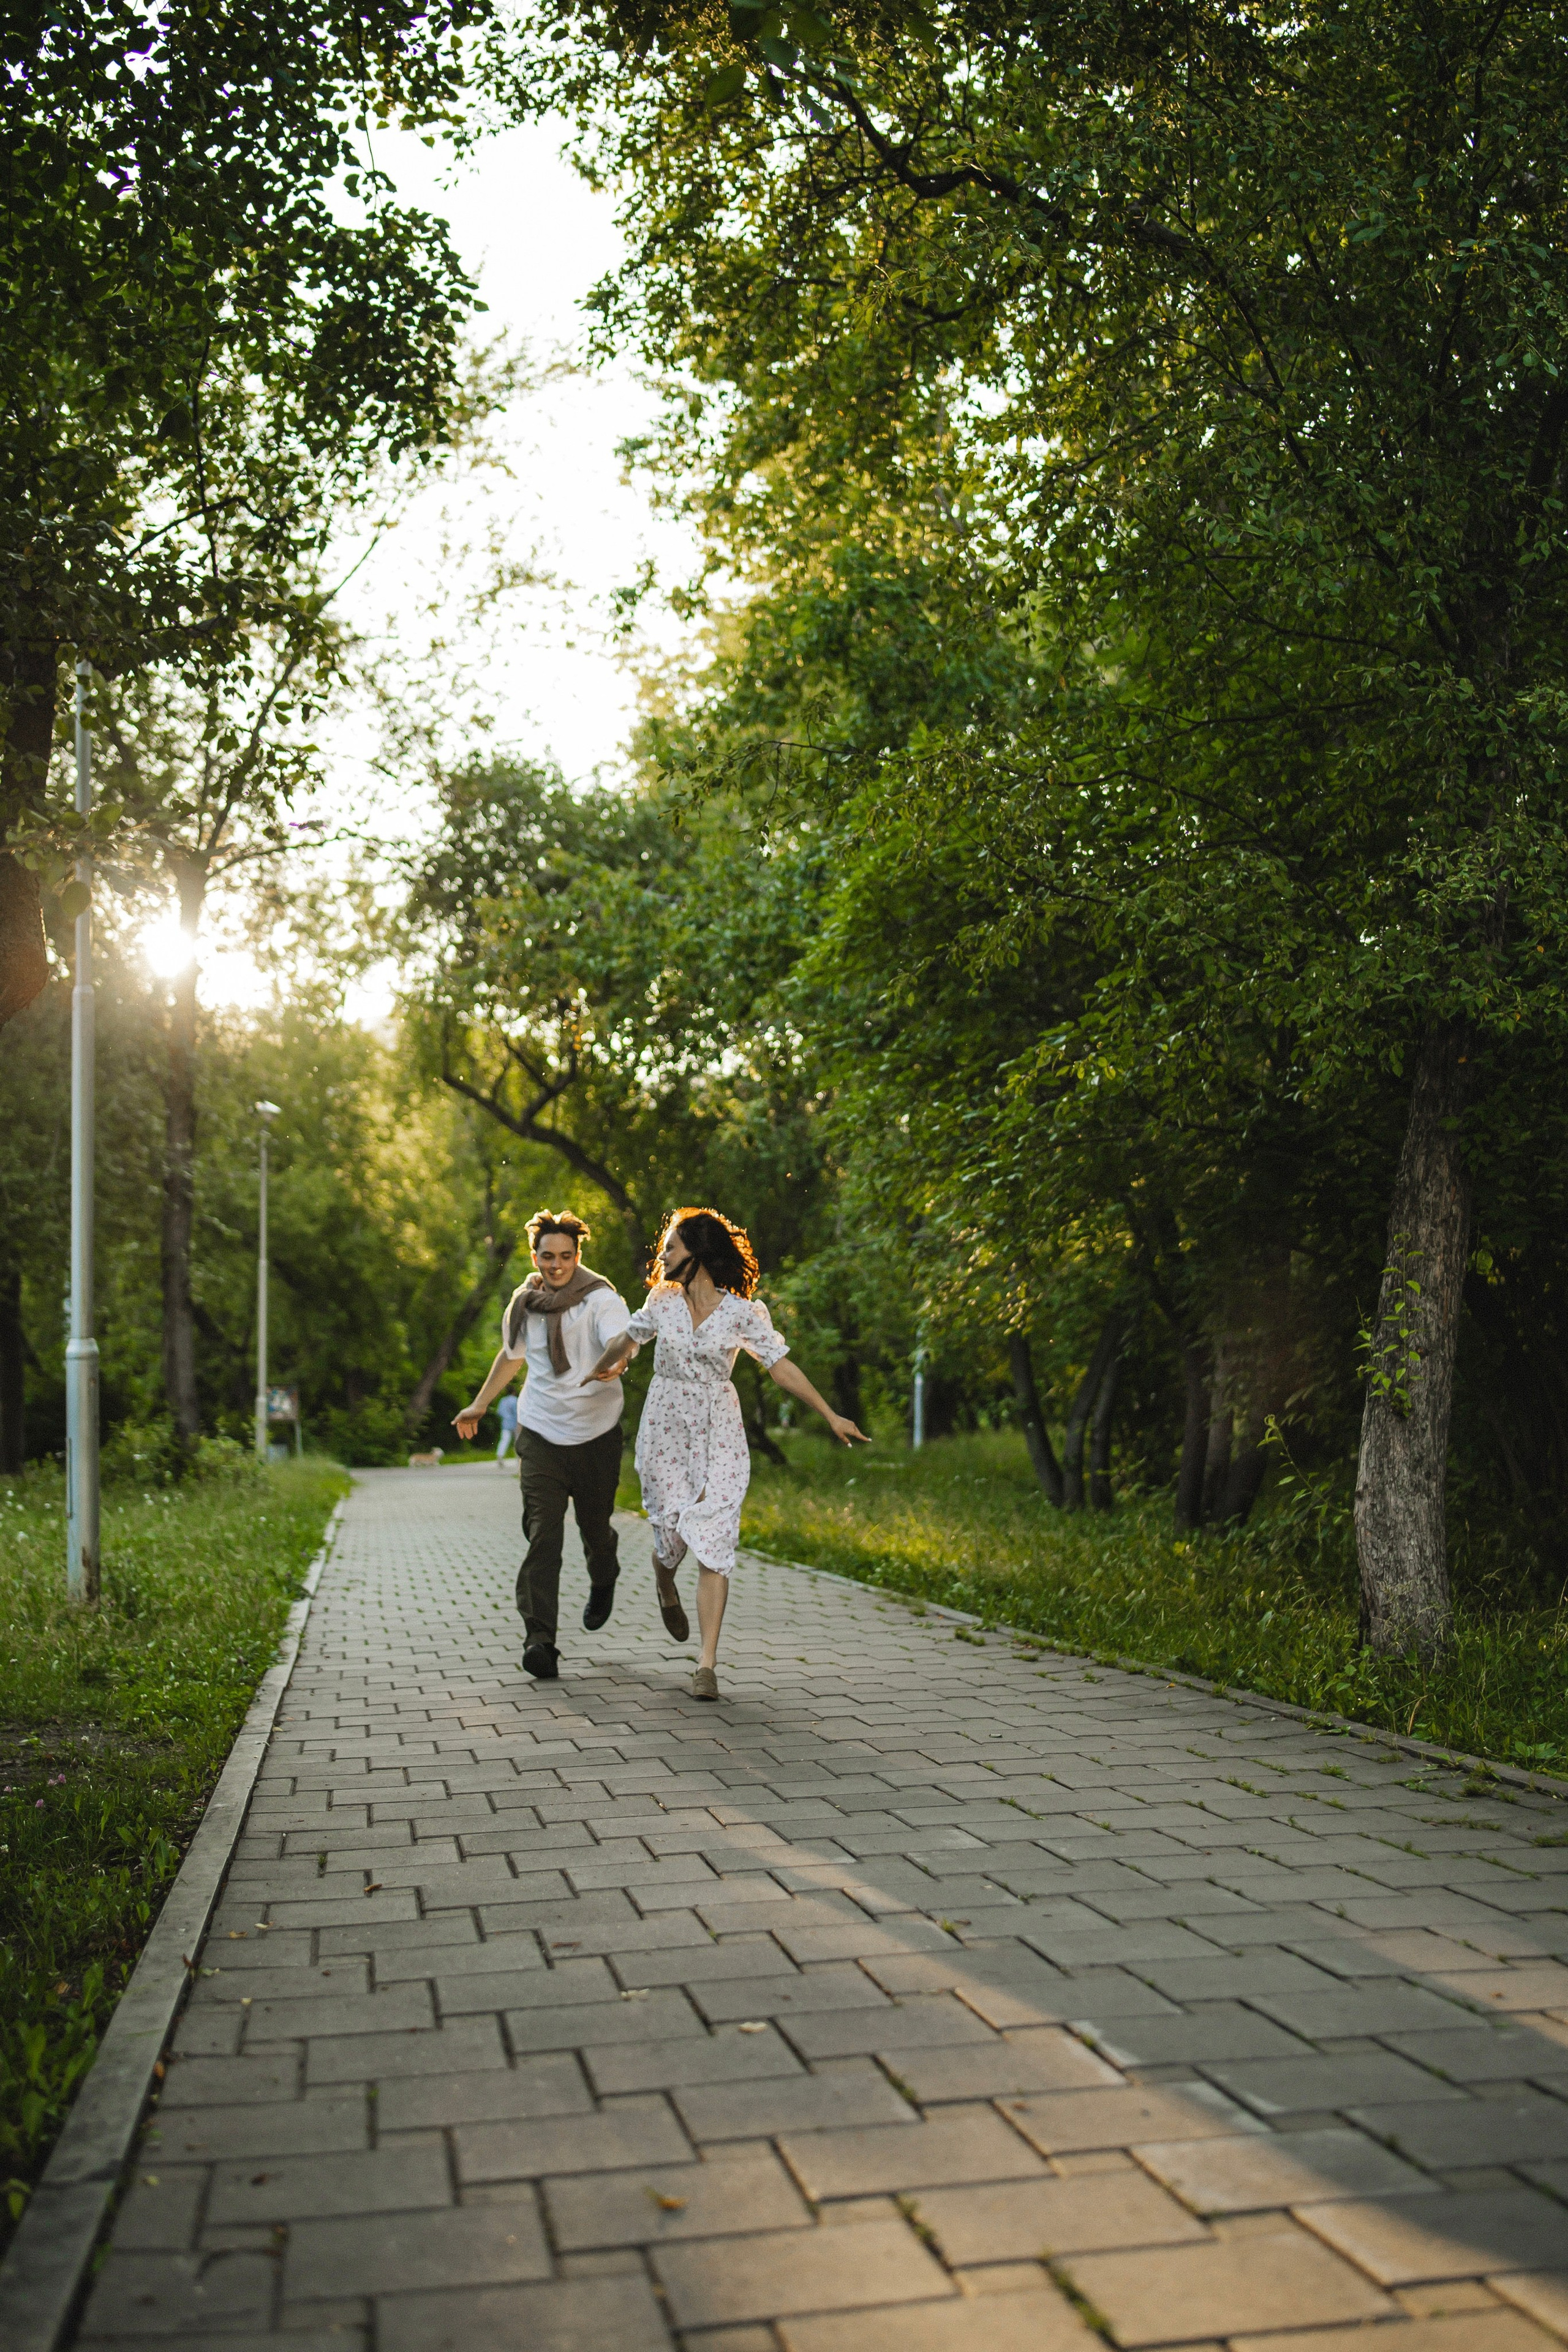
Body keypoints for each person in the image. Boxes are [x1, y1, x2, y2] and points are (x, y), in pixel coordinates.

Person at [584, 1207, 865, 1700]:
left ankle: (707, 1665)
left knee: (714, 1539)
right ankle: (665, 1584)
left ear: (697, 1254)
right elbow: (627, 1340)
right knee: (671, 1539)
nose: (662, 1256)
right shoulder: (662, 1301)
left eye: (671, 1248)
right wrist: (601, 1368)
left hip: (719, 1430)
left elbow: (780, 1367)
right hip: (666, 1427)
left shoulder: (742, 1313)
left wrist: (830, 1414)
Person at [454, 1209, 632, 1681]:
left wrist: (616, 1362)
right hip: (540, 1434)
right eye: (548, 1256)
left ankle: (604, 1574)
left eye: (566, 1256)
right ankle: (539, 1640)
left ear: (578, 1256)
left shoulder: (600, 1299)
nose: (557, 1265)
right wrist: (479, 1404)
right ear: (535, 1257)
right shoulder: (524, 1304)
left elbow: (621, 1338)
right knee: (543, 1534)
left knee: (595, 1529)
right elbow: (512, 1356)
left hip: (596, 1435)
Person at [495, 1389, 518, 1468]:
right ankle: (519, 1458)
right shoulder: (515, 1400)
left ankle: (500, 1455)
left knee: (504, 1440)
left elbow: (499, 1412)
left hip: (505, 1424)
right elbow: (517, 1412)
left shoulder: (503, 1401)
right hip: (516, 1424)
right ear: (514, 1392)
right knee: (518, 1442)